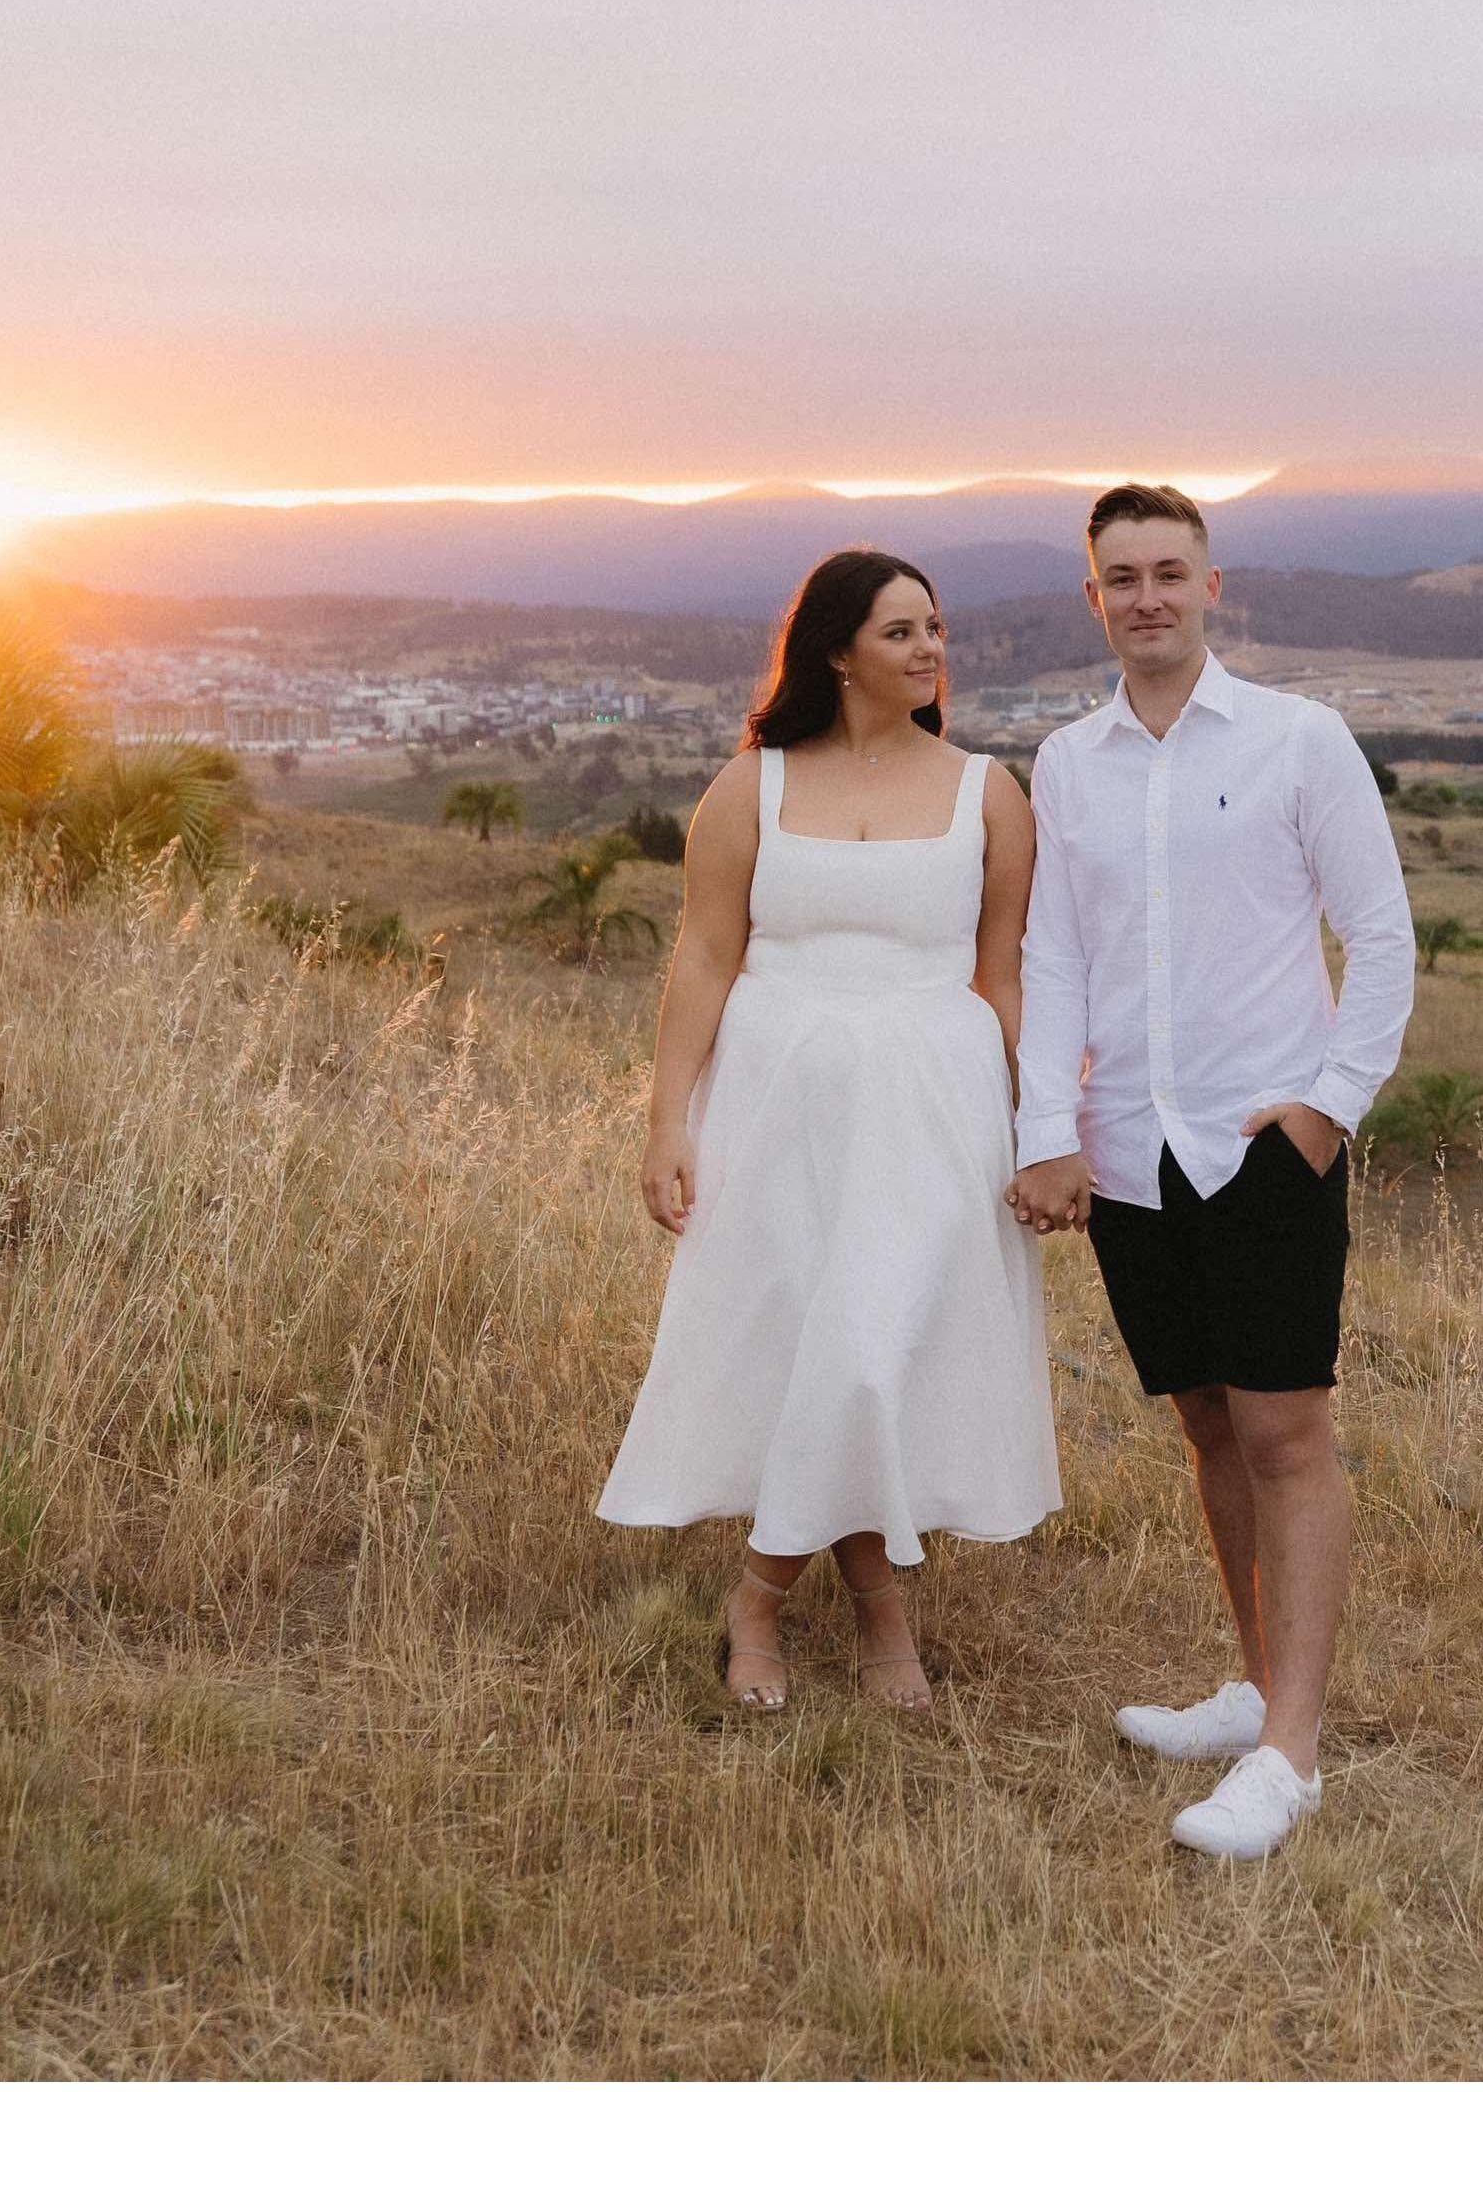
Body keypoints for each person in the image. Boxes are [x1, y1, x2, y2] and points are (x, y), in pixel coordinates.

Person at [1007, 485, 1416, 1859]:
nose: (1147, 597)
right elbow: (1053, 957)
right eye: (1120, 577)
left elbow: (1381, 936)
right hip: (1130, 1151)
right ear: (1093, 599)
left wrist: (1329, 1111)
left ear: (1211, 586)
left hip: (1263, 1149)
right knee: (1206, 1427)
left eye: (1168, 572)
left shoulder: (1302, 739)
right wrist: (1046, 1128)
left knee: (1287, 1439)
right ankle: (1252, 1687)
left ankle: (1289, 1756)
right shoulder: (1068, 764)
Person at [597, 549, 1057, 1708]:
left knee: (866, 1352)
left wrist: (1044, 1125)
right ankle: (872, 1607)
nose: (929, 648)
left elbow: (1003, 976)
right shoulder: (748, 787)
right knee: (819, 1354)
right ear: (837, 651)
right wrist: (666, 1121)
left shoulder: (988, 792)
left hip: (932, 1111)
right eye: (900, 631)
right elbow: (705, 955)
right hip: (776, 1109)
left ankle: (762, 1595)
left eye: (935, 626)